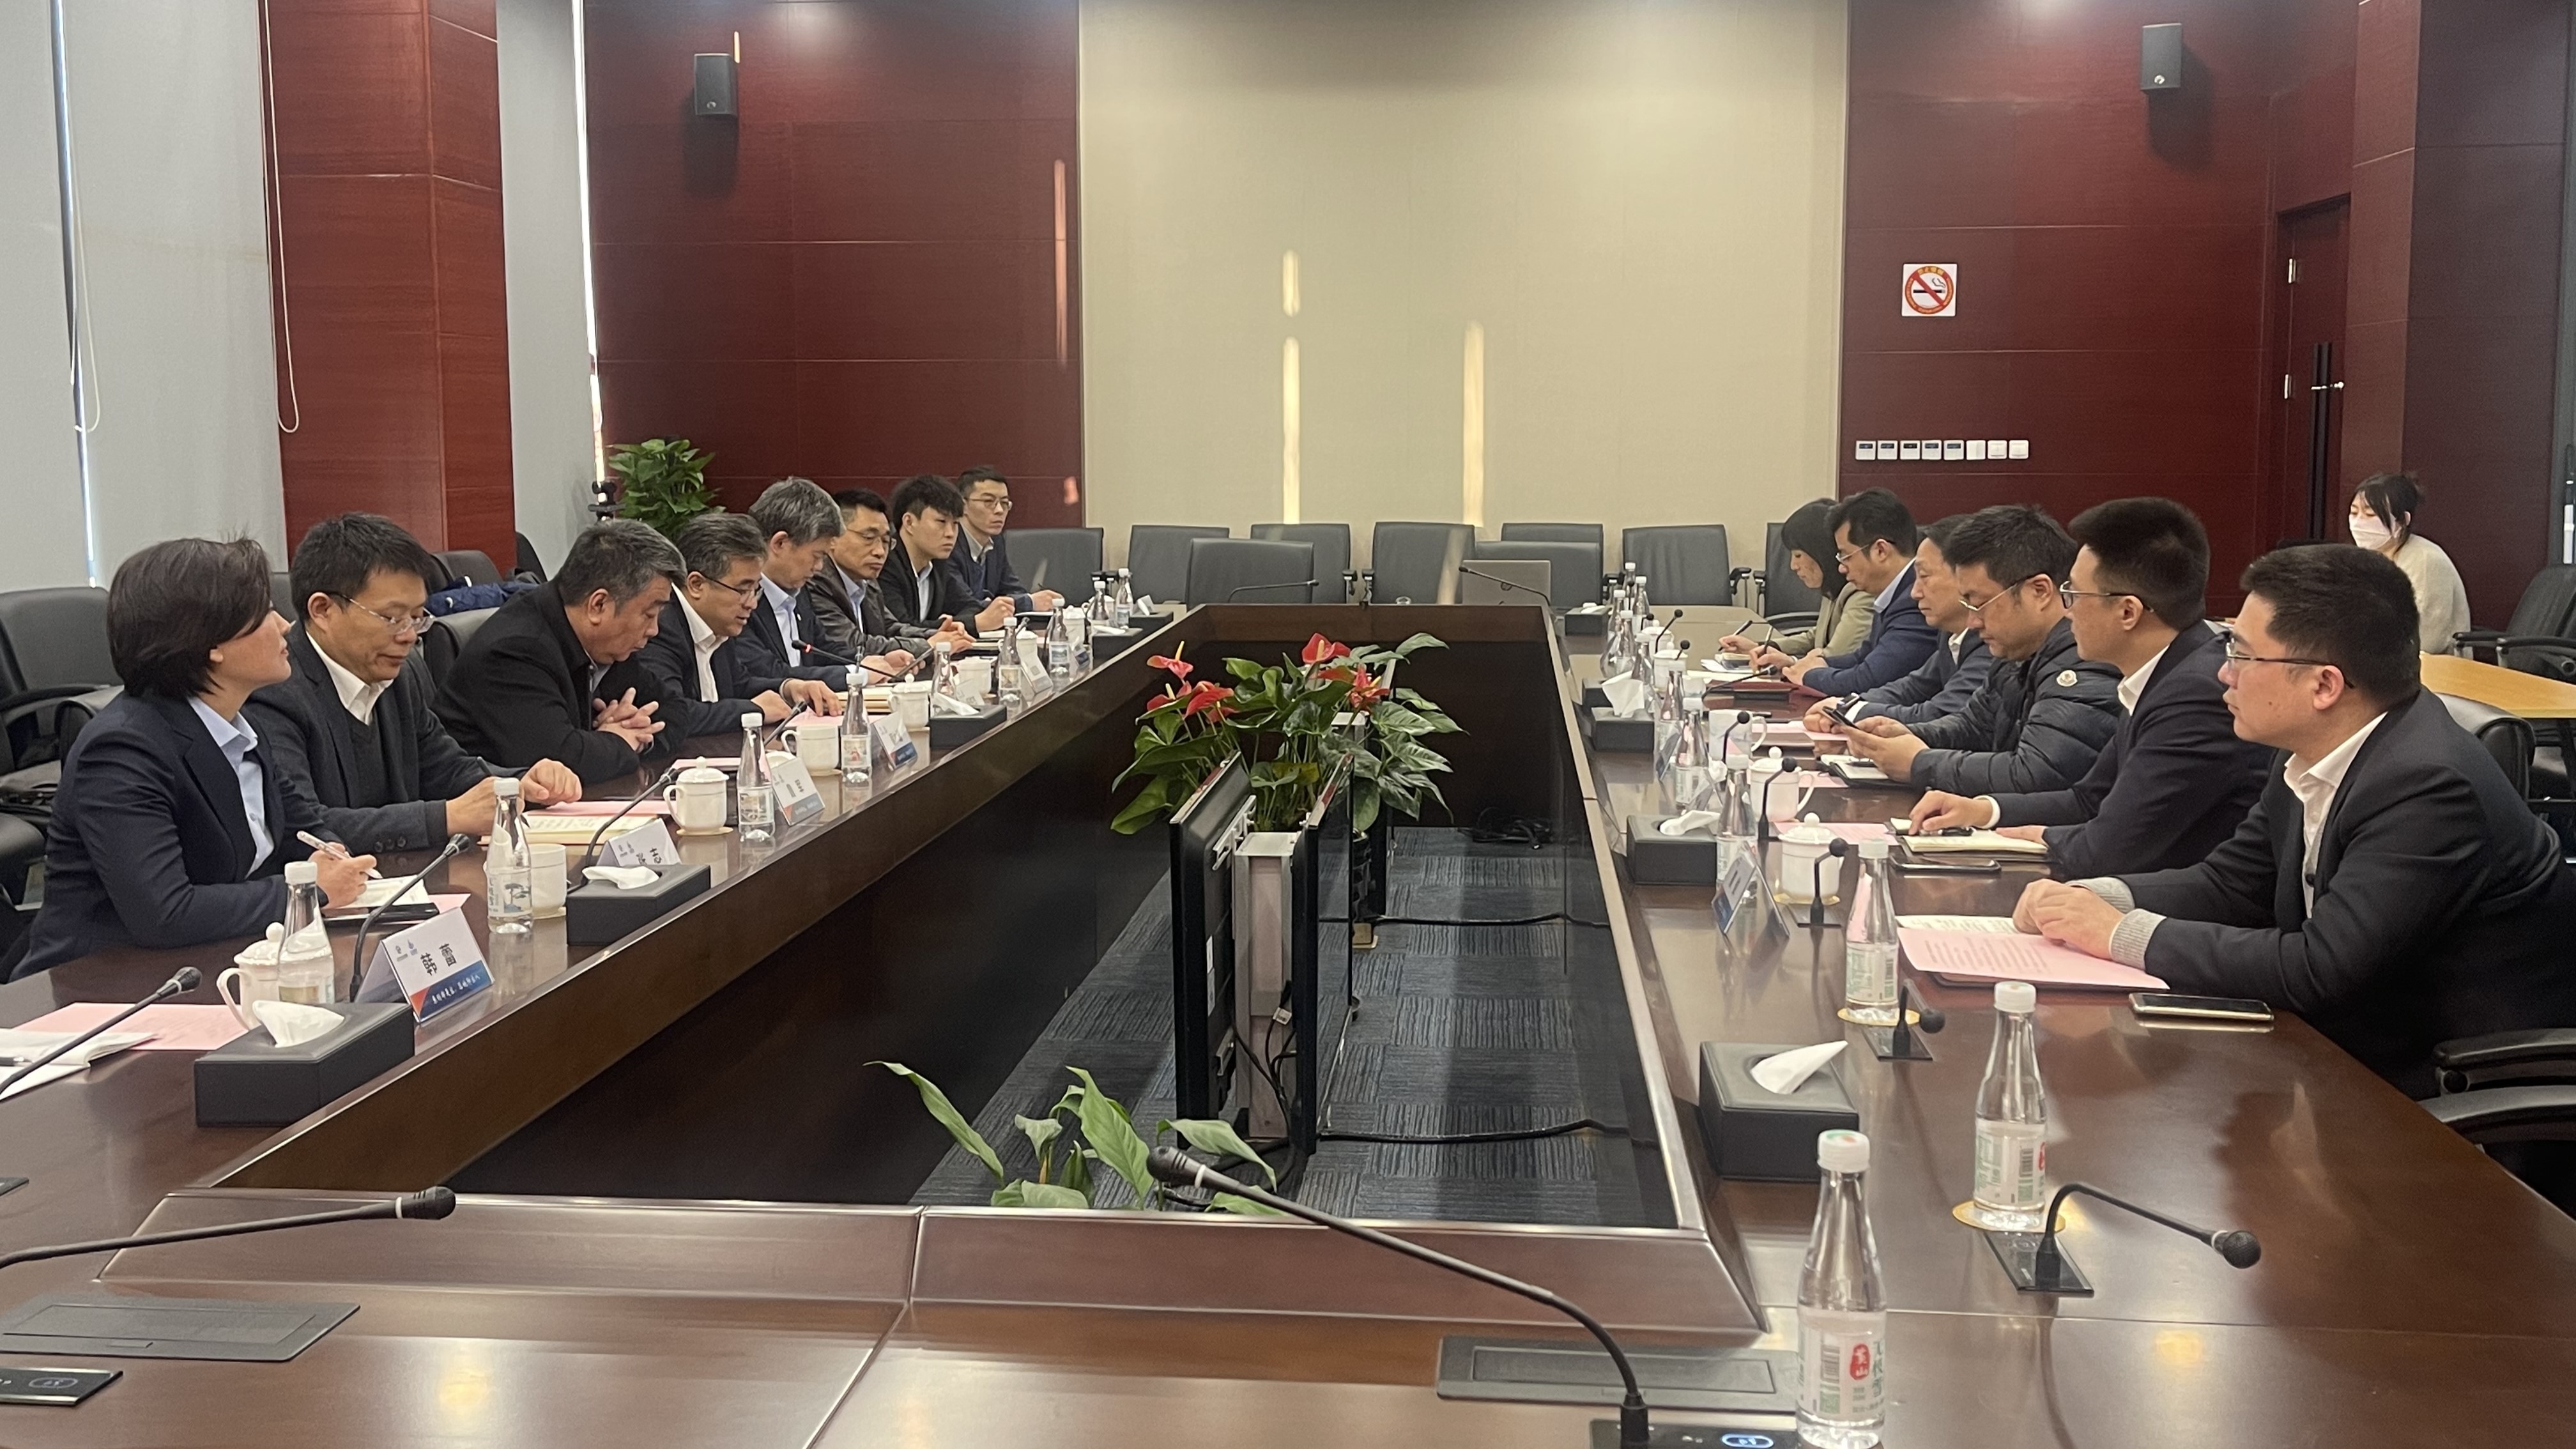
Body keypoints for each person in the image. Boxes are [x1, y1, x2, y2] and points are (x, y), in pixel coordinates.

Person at [2016, 544, 2576, 1094]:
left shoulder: (2426, 785)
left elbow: (2321, 967)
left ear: (2324, 685)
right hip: (2338, 1050)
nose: (2224, 674)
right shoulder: (2311, 749)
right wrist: (2095, 898)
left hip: (2443, 1082)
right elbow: (2231, 884)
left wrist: (2120, 934)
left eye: (2242, 655)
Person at [15, 539, 377, 979]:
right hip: (104, 984)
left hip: (210, 960)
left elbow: (303, 830)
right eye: (264, 612)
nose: (285, 626)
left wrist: (333, 856)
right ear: (212, 645)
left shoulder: (237, 723)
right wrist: (307, 890)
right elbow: (166, 913)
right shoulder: (122, 750)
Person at [1910, 498, 2271, 877]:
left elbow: (2107, 850)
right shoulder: (2161, 672)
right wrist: (1984, 810)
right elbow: (2088, 799)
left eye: (2076, 596)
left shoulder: (2194, 696)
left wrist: (2045, 837)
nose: (2067, 611)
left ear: (2127, 612)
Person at [247, 514, 583, 856]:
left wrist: (519, 783)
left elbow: (444, 767)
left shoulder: (397, 673)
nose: (409, 636)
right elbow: (304, 827)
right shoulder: (274, 690)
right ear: (323, 610)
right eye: (392, 618)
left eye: (417, 617)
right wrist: (446, 818)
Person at [1832, 504, 2120, 793]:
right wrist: (1907, 734)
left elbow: (2036, 773)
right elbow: (1974, 727)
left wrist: (1920, 763)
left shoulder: (2084, 661)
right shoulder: (2016, 653)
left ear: (2039, 591)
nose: (1973, 621)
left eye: (1980, 603)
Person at [436, 519, 680, 785]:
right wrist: (617, 741)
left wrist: (637, 737)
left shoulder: (604, 643)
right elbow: (559, 762)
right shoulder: (514, 651)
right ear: (598, 605)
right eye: (649, 614)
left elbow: (675, 710)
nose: (654, 630)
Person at [637, 512, 850, 739]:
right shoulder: (660, 627)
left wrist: (789, 688)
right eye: (742, 590)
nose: (751, 604)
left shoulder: (718, 624)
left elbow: (740, 686)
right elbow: (672, 714)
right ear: (697, 584)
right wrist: (753, 710)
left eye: (755, 590)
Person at [1803, 514, 1990, 728]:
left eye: (1924, 576)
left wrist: (1852, 711)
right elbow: (1912, 687)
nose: (1915, 593)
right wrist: (1847, 706)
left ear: (1967, 578)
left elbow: (1941, 713)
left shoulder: (1992, 641)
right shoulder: (1951, 634)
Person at [807, 490, 970, 666]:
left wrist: (937, 634)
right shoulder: (815, 581)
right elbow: (854, 645)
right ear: (833, 538)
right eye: (868, 538)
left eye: (885, 541)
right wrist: (928, 646)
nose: (880, 552)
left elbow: (890, 628)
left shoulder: (867, 581)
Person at [728, 477, 859, 684]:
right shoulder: (739, 597)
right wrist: (855, 675)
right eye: (817, 556)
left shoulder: (799, 589)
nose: (819, 567)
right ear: (780, 543)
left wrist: (867, 662)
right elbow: (767, 672)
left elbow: (823, 650)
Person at [1721, 500, 1870, 662]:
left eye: (1798, 555)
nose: (1793, 566)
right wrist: (1762, 647)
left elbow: (1834, 659)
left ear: (1822, 553)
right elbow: (1817, 638)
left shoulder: (1861, 595)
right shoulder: (1833, 589)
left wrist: (1790, 663)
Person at [2349, 471, 2471, 652]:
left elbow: (2426, 640)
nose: (2359, 522)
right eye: (2354, 513)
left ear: (2402, 521)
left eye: (2370, 514)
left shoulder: (2427, 560)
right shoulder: (2366, 558)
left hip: (2429, 664)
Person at [882, 474, 1012, 635]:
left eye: (955, 524)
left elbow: (971, 606)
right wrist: (971, 623)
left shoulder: (938, 562)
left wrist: (954, 622)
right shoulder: (885, 563)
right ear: (909, 522)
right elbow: (898, 628)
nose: (950, 533)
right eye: (941, 522)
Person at [949, 466, 1065, 614]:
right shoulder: (948, 543)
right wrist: (1029, 602)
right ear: (963, 506)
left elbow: (1013, 589)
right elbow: (963, 605)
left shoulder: (995, 541)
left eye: (1004, 503)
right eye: (988, 501)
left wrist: (1025, 600)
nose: (999, 510)